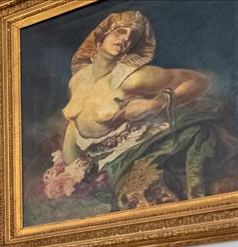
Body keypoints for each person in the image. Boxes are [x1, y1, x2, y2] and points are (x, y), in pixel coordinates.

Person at [42, 10, 237, 210]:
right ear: (100, 38)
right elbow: (74, 126)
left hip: (136, 151)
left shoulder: (133, 79)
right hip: (96, 163)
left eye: (132, 37)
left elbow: (199, 81)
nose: (126, 39)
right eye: (120, 31)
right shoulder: (78, 80)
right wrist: (73, 170)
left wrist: (155, 103)